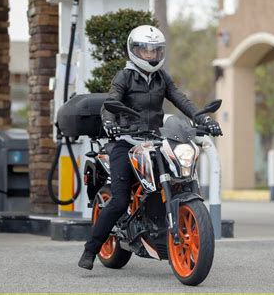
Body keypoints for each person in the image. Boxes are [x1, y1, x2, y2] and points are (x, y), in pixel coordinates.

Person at [78, 25, 222, 270]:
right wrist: (111, 124)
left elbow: (181, 100)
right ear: (134, 50)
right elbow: (110, 103)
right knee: (121, 198)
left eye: (155, 50)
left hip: (153, 139)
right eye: (145, 50)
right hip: (124, 142)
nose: (151, 55)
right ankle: (90, 250)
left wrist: (202, 118)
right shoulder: (124, 76)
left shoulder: (161, 77)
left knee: (181, 178)